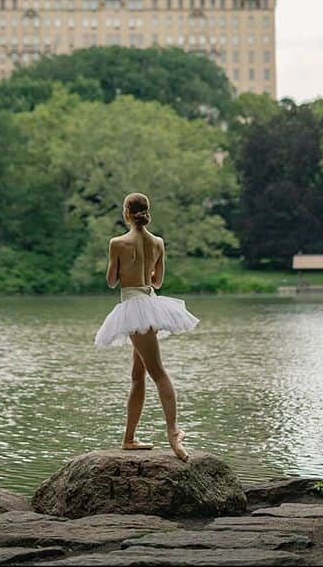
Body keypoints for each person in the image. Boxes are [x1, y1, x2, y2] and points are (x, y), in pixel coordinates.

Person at [93, 192, 199, 461]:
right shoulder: (158, 242)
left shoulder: (117, 242)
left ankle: (174, 433)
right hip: (149, 302)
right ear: (146, 211)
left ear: (126, 212)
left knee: (158, 372)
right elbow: (158, 281)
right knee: (137, 375)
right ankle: (129, 439)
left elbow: (111, 281)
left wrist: (121, 265)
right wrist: (145, 271)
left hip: (134, 306)